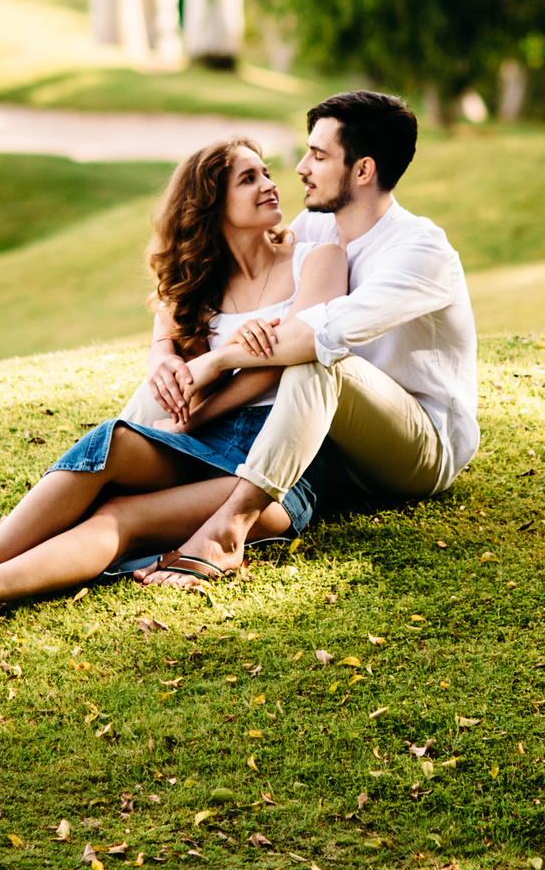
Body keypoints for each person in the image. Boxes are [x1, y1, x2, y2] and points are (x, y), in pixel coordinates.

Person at [0, 137, 346, 632]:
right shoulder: (199, 284)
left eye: (265, 173)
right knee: (111, 440)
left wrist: (201, 404)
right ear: (210, 205)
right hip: (207, 442)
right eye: (249, 179)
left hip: (278, 464)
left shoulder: (317, 260)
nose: (270, 185)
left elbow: (293, 359)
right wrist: (172, 361)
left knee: (120, 516)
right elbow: (165, 343)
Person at [131, 90, 479, 588]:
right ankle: (120, 464)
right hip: (328, 443)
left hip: (417, 448)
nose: (299, 167)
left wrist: (217, 363)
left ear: (362, 171)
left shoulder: (420, 252)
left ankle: (228, 530)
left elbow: (316, 335)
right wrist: (162, 351)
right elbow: (211, 270)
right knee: (165, 384)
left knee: (320, 360)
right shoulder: (316, 225)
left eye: (318, 155)